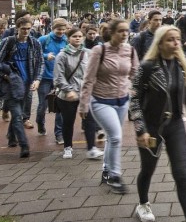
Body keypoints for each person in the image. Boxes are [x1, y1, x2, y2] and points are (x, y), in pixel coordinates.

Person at [129, 25, 186, 222]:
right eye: (170, 40)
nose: (176, 43)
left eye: (178, 39)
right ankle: (143, 204)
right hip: (152, 128)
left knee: (181, 172)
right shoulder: (147, 66)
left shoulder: (181, 65)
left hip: (175, 126)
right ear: (160, 43)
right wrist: (141, 130)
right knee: (148, 170)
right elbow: (135, 99)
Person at [80, 18, 139, 194]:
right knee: (115, 137)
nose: (124, 34)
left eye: (126, 31)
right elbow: (89, 78)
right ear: (112, 33)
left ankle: (106, 169)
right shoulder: (99, 50)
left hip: (122, 100)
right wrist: (83, 104)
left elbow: (136, 74)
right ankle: (115, 176)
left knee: (112, 138)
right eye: (120, 31)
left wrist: (138, 92)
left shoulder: (130, 50)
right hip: (100, 101)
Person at [0, 16, 43, 158]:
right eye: (23, 29)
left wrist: (37, 79)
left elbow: (40, 62)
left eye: (28, 28)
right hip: (12, 83)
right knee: (18, 114)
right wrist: (6, 75)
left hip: (28, 83)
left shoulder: (35, 43)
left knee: (20, 112)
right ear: (17, 28)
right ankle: (24, 145)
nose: (26, 31)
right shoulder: (9, 42)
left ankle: (11, 135)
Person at [54, 27, 102, 160]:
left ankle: (91, 148)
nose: (77, 38)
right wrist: (68, 90)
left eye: (80, 36)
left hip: (85, 94)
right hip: (68, 95)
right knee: (68, 121)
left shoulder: (88, 53)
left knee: (89, 121)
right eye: (74, 36)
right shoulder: (62, 55)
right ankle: (68, 147)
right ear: (68, 38)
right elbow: (58, 77)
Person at [37, 18, 69, 143]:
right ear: (53, 29)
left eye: (63, 29)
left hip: (60, 78)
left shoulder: (66, 41)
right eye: (58, 29)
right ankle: (40, 122)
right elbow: (35, 53)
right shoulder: (44, 40)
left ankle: (59, 134)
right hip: (45, 77)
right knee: (42, 106)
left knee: (60, 107)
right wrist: (46, 56)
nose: (61, 32)